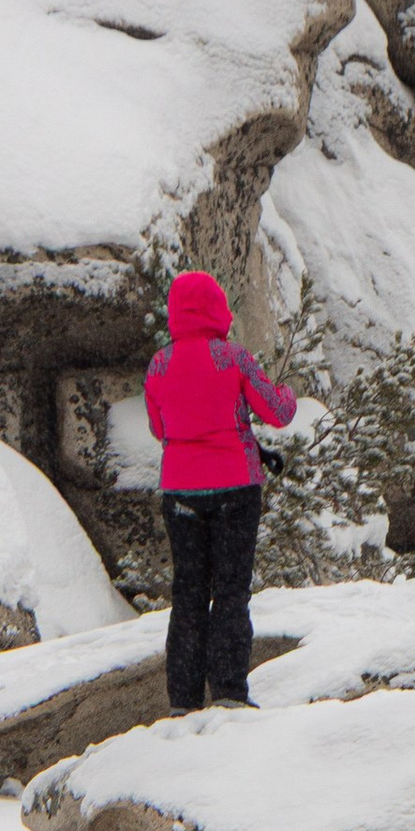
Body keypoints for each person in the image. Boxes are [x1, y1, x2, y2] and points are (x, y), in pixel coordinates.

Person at [144, 268, 298, 712]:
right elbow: (278, 411)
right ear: (217, 310)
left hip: (179, 492)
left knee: (188, 593)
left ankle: (183, 701)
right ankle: (229, 693)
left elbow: (159, 428)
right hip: (236, 488)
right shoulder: (233, 357)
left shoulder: (158, 364)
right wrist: (285, 390)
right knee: (230, 591)